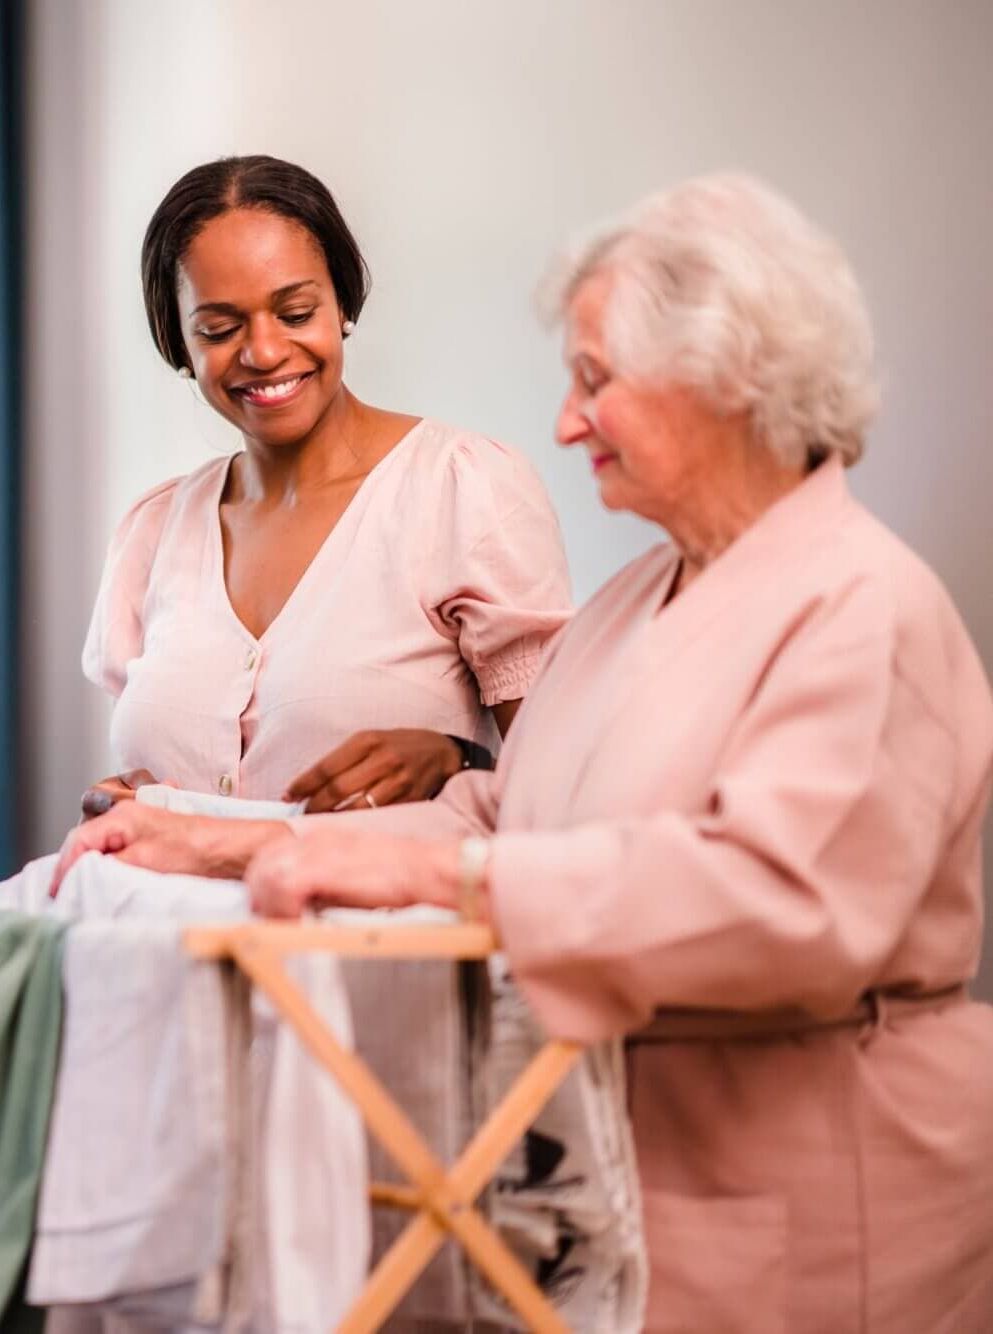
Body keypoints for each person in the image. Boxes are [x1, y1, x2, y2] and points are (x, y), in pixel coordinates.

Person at [55, 174, 993, 1333]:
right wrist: (209, 839)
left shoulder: (863, 605)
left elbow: (779, 904)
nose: (565, 420)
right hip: (616, 1186)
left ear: (730, 384)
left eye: (596, 381)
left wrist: (435, 877)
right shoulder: (641, 596)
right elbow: (507, 813)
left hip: (813, 1199)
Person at [81, 154, 571, 820]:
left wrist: (460, 759)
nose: (263, 351)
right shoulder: (153, 531)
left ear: (342, 303)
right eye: (219, 330)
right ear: (179, 344)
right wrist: (121, 809)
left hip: (386, 923)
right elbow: (153, 780)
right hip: (170, 922)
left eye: (295, 312)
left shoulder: (464, 488)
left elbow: (567, 786)